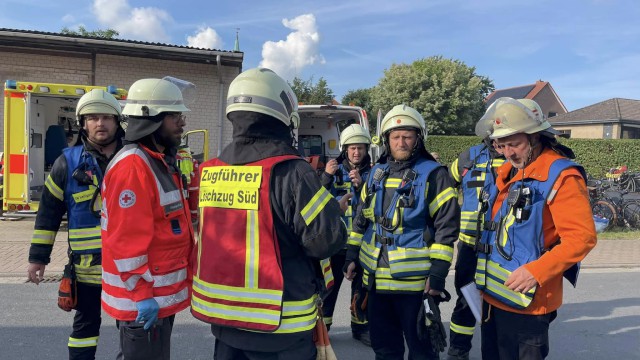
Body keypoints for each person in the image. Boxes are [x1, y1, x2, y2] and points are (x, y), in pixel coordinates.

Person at [190, 67, 348, 360]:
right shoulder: (293, 172)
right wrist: (334, 215)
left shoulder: (210, 171)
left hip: (225, 322)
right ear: (284, 117)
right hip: (281, 327)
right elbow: (324, 242)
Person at [474, 97, 597, 359]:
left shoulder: (562, 176)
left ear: (535, 137)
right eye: (501, 145)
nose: (508, 152)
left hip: (528, 304)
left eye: (514, 144)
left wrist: (536, 271)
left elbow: (581, 238)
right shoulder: (510, 171)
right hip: (494, 298)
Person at [344, 104, 460, 359]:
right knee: (384, 349)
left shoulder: (434, 175)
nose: (401, 141)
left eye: (407, 135)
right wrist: (352, 255)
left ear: (419, 138)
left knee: (422, 350)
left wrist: (439, 273)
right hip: (375, 282)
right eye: (395, 136)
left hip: (414, 286)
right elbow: (362, 220)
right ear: (386, 140)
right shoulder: (375, 173)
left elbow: (446, 228)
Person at [100, 77, 195, 359]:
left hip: (154, 296)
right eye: (175, 116)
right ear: (152, 118)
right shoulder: (134, 166)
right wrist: (142, 294)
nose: (182, 122)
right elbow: (126, 239)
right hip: (142, 299)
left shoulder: (156, 159)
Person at [27, 88, 124, 360]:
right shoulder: (66, 163)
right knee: (84, 329)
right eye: (92, 117)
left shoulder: (132, 158)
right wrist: (37, 258)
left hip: (128, 268)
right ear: (83, 123)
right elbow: (48, 215)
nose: (100, 123)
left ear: (117, 121)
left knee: (132, 329)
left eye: (106, 117)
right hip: (87, 270)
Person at [446, 111, 505, 360]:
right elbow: (445, 189)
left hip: (504, 250)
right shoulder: (468, 157)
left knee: (501, 303)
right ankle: (458, 351)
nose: (499, 142)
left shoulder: (520, 159)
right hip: (470, 246)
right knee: (464, 301)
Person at [319, 124, 372, 346]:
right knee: (328, 289)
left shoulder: (373, 173)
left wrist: (361, 187)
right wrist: (326, 177)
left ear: (366, 149)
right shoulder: (333, 170)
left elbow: (377, 206)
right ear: (345, 149)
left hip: (361, 244)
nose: (356, 152)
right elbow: (317, 201)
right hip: (336, 243)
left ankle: (360, 329)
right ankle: (324, 329)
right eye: (352, 148)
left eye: (360, 148)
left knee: (361, 288)